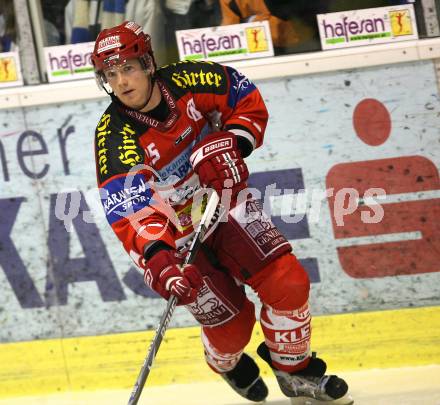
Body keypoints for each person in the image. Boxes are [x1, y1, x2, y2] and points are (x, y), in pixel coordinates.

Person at [91, 20, 353, 404]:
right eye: (111, 74)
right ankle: (226, 363)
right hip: (174, 238)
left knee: (287, 281)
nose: (122, 82)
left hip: (222, 201)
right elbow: (130, 209)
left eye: (128, 68)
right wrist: (160, 260)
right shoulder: (115, 137)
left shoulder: (190, 78)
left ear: (148, 64)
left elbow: (244, 97)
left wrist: (233, 142)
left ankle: (296, 372)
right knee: (233, 327)